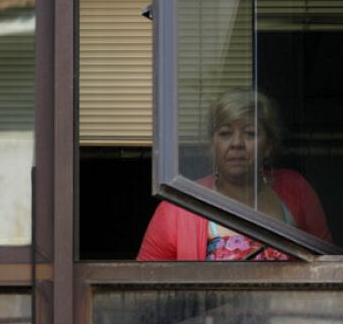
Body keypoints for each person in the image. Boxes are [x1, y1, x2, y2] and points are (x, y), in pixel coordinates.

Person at [138, 88, 332, 261]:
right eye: (225, 133)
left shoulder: (296, 189)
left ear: (268, 147)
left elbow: (328, 266)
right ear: (212, 145)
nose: (237, 143)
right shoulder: (179, 206)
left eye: (250, 133)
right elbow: (147, 284)